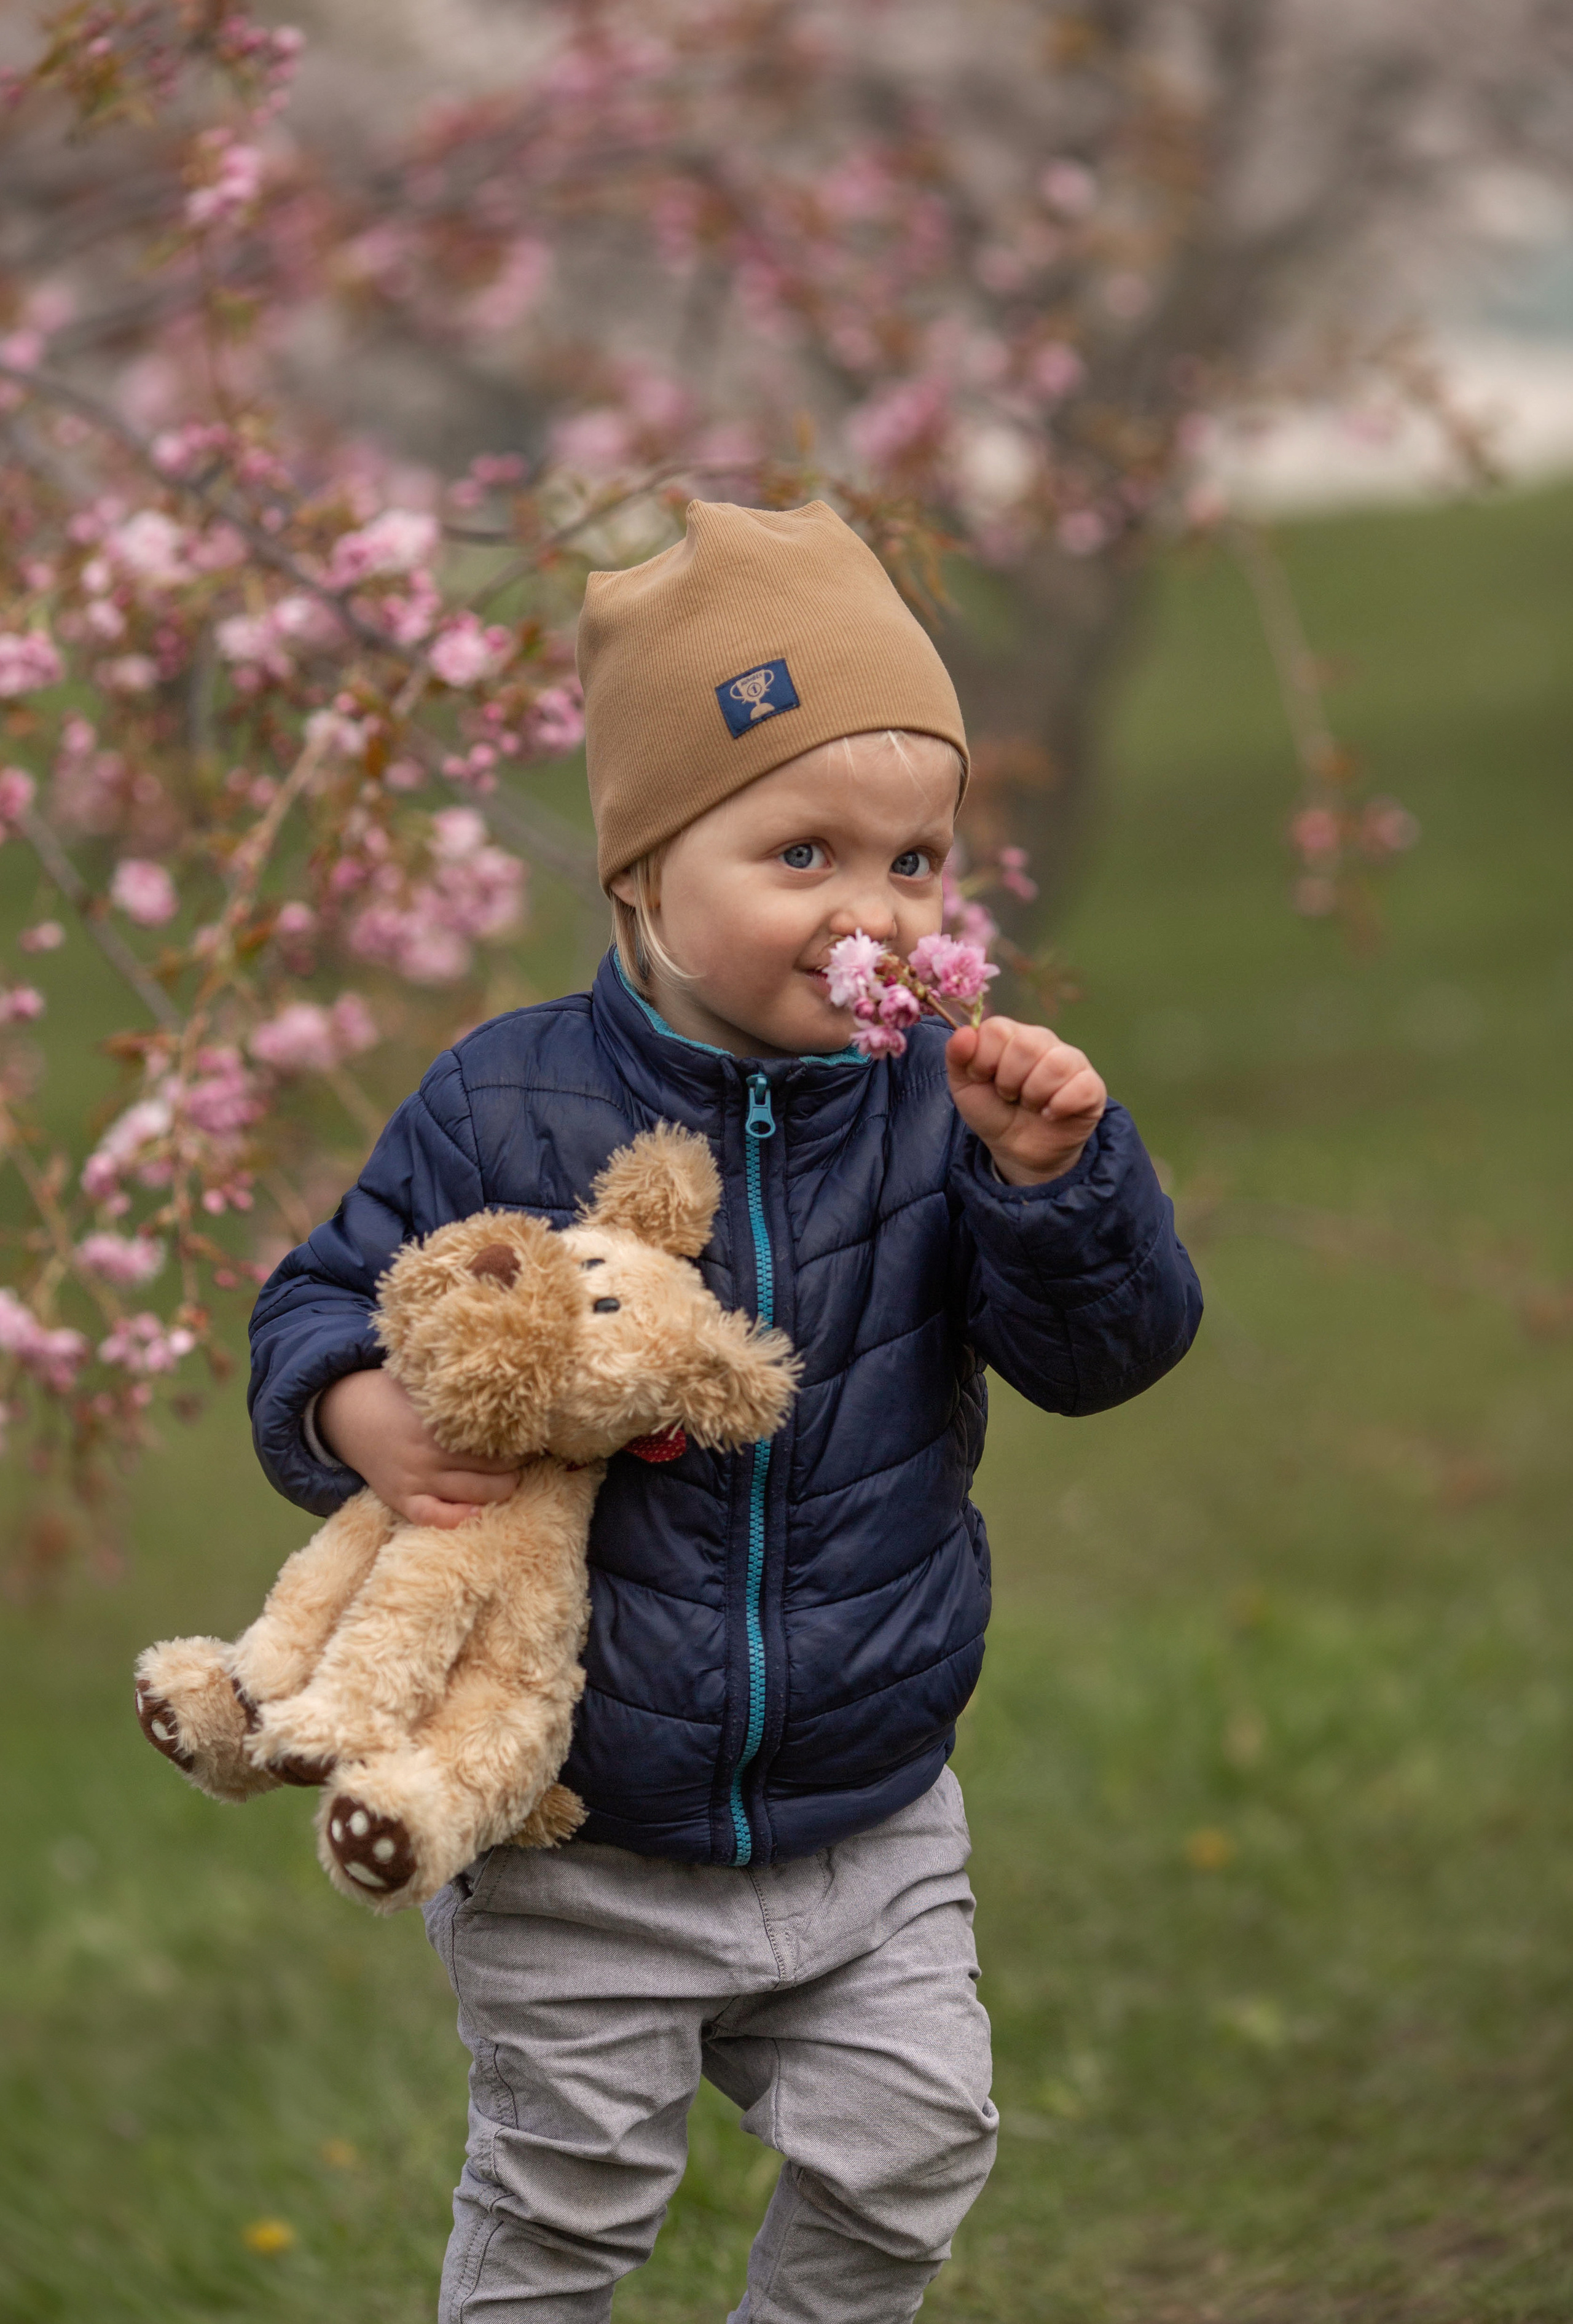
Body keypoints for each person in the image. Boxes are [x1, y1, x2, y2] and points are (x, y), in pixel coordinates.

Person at [248, 499, 1203, 2323]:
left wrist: (1059, 1181)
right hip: (582, 1820)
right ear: (643, 881)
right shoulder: (499, 1098)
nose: (876, 911)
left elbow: (1110, 1357)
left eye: (918, 860)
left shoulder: (945, 1106)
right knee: (566, 2205)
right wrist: (358, 1413)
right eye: (805, 854)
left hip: (867, 1801)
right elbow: (311, 1302)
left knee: (914, 2151)